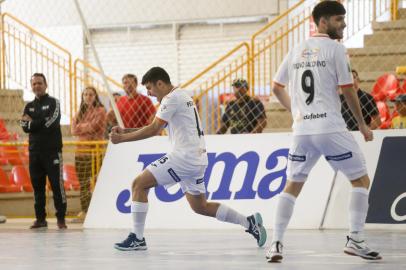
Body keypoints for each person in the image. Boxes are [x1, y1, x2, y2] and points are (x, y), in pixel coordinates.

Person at [266, 1, 381, 262]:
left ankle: (276, 243)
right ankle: (355, 239)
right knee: (361, 181)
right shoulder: (336, 49)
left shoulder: (296, 49)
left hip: (302, 130)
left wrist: (296, 111)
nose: (344, 24)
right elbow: (348, 89)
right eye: (339, 20)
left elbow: (276, 87)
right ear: (322, 22)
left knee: (292, 186)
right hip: (330, 128)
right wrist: (362, 124)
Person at [111, 67, 267, 251]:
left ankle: (137, 238)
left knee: (139, 184)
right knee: (200, 206)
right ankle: (249, 223)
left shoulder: (171, 99)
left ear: (160, 83)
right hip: (197, 159)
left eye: (150, 88)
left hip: (184, 158)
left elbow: (154, 129)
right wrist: (125, 130)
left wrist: (122, 139)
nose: (149, 93)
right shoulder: (180, 95)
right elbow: (154, 125)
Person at [20, 73, 67, 229]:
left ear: (46, 85)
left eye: (39, 83)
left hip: (52, 152)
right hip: (34, 153)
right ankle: (40, 219)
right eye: (34, 84)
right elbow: (24, 127)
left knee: (57, 186)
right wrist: (37, 123)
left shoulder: (54, 102)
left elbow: (51, 123)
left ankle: (61, 220)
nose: (37, 86)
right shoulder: (28, 106)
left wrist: (33, 122)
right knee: (37, 188)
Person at [71, 86, 107, 222]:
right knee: (83, 184)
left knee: (97, 182)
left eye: (91, 94)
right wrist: (85, 127)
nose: (88, 97)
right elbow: (73, 130)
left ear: (95, 96)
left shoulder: (101, 111)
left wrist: (81, 127)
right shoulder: (80, 111)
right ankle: (85, 211)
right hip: (81, 152)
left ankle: (99, 211)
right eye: (85, 94)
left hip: (95, 151)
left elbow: (95, 126)